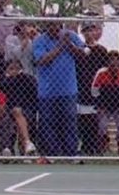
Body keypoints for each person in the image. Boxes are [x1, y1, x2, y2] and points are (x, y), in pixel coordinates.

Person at [32, 19, 85, 158]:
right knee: (48, 123)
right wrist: (61, 46)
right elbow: (42, 60)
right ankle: (52, 153)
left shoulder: (70, 36)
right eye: (50, 25)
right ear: (46, 26)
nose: (54, 28)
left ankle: (71, 153)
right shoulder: (39, 40)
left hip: (68, 89)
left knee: (70, 121)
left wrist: (70, 45)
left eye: (56, 25)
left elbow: (83, 54)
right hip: (47, 91)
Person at [91, 51, 119, 157]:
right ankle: (101, 150)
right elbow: (94, 90)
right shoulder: (101, 73)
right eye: (110, 59)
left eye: (116, 59)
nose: (113, 62)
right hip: (104, 104)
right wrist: (101, 98)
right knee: (102, 126)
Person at [76, 22, 110, 155]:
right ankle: (85, 146)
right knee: (83, 119)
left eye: (91, 30)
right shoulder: (79, 48)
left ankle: (96, 147)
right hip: (82, 87)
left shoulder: (101, 50)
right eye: (86, 31)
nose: (89, 33)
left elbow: (103, 69)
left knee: (95, 120)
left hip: (96, 89)